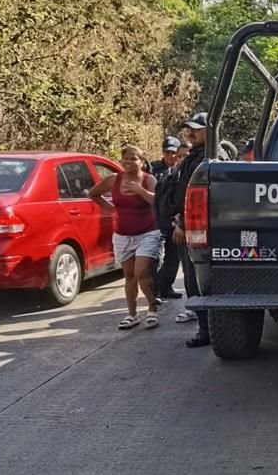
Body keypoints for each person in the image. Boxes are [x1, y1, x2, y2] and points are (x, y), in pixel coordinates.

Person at [89, 145, 161, 330]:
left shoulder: (148, 179)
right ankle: (132, 315)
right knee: (129, 276)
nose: (128, 162)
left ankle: (152, 308)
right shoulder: (114, 179)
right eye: (125, 158)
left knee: (141, 272)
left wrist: (140, 190)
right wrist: (112, 209)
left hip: (147, 232)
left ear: (142, 162)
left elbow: (158, 201)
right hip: (122, 234)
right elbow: (93, 194)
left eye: (133, 158)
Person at [171, 112, 212, 346]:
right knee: (193, 280)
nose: (191, 133)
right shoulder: (195, 157)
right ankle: (205, 328)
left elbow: (196, 199)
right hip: (190, 226)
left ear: (210, 130)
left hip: (198, 229)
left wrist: (182, 224)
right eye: (190, 129)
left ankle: (206, 330)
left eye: (197, 129)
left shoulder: (209, 158)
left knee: (198, 281)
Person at [153, 138, 186, 301]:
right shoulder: (153, 169)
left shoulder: (183, 171)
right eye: (168, 152)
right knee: (157, 257)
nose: (171, 156)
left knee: (173, 257)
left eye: (174, 153)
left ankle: (166, 287)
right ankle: (155, 292)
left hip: (175, 220)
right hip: (158, 220)